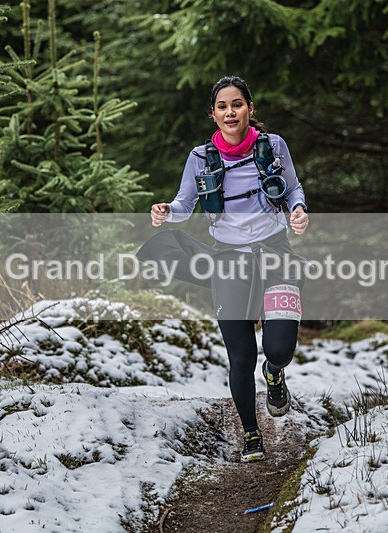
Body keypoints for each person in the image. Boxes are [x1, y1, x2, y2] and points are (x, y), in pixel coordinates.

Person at [145, 75, 309, 462]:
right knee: (240, 354)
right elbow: (186, 204)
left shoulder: (274, 146)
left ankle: (275, 372)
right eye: (222, 106)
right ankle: (251, 433)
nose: (230, 111)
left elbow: (293, 188)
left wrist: (298, 210)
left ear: (250, 109)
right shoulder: (201, 157)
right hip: (229, 259)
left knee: (279, 348)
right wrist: (167, 211)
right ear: (213, 114)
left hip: (275, 252)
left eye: (237, 104)